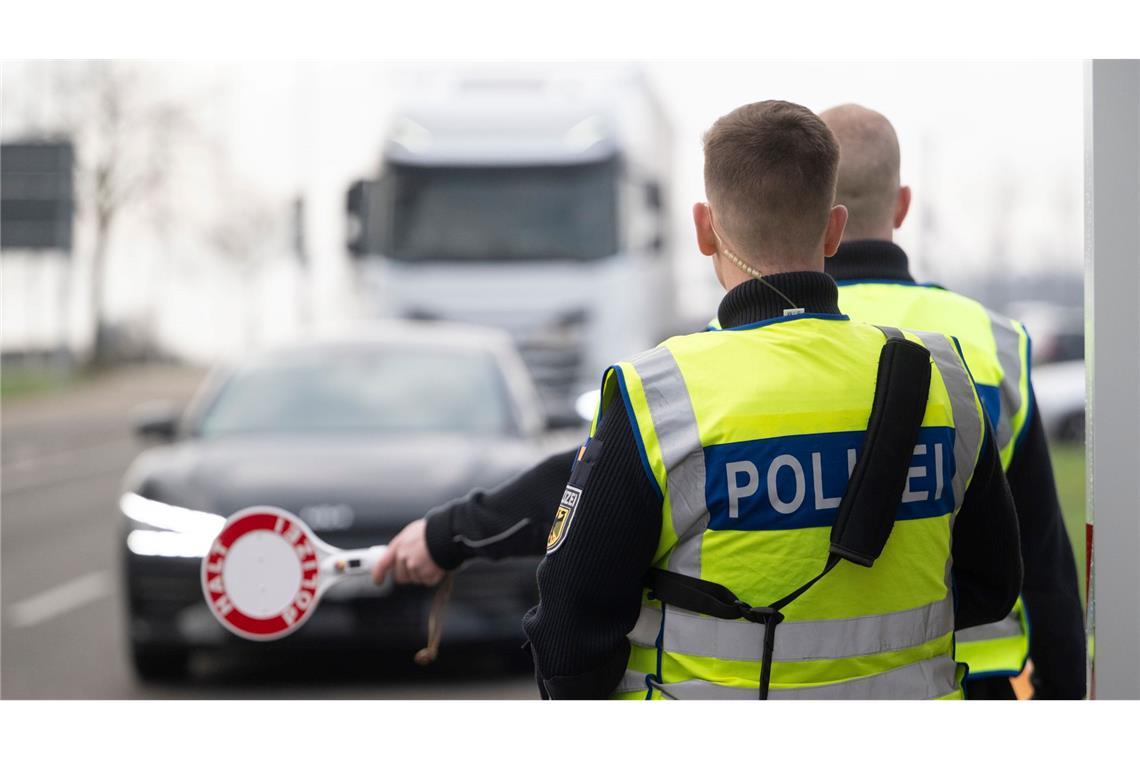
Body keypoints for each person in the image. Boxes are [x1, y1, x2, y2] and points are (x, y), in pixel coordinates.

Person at [377, 100, 1022, 699]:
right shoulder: (943, 375)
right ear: (833, 231)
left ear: (704, 229)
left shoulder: (662, 393)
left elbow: (570, 632)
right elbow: (994, 585)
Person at [812, 104, 1085, 699]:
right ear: (902, 205)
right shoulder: (992, 339)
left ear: (812, 213)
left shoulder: (739, 344)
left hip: (798, 683)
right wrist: (1066, 695)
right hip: (976, 679)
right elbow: (1041, 553)